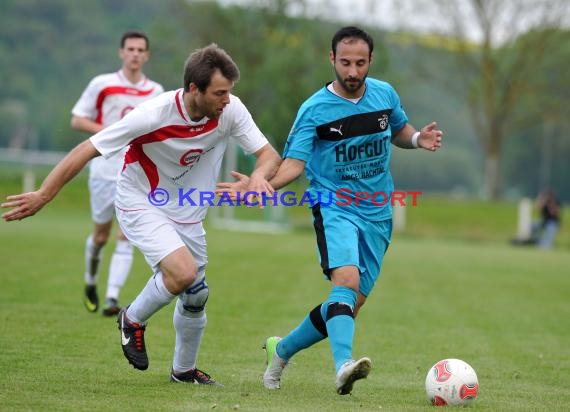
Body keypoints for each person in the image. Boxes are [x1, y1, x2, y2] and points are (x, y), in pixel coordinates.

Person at [2, 43, 281, 385]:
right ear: (194, 89)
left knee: (196, 294)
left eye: (228, 93)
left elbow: (269, 155)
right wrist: (45, 194)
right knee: (182, 273)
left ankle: (183, 371)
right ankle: (132, 318)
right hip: (141, 200)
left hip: (189, 209)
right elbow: (87, 148)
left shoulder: (230, 109)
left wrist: (257, 176)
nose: (226, 100)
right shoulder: (153, 114)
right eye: (219, 93)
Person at [217, 26, 443, 395]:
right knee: (346, 283)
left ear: (370, 61)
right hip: (333, 205)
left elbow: (399, 129)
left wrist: (419, 139)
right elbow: (293, 164)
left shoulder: (385, 94)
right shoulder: (314, 109)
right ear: (331, 60)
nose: (352, 72)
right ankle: (343, 368)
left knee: (347, 306)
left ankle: (282, 349)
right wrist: (262, 185)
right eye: (345, 63)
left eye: (360, 63)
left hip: (377, 212)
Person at [71, 30, 164, 316]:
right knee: (101, 236)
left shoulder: (156, 92)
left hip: (136, 173)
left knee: (126, 235)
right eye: (130, 49)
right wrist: (111, 133)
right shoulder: (103, 84)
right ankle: (90, 281)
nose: (135, 54)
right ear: (121, 52)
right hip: (103, 169)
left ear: (147, 55)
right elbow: (77, 120)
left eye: (140, 50)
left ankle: (112, 298)